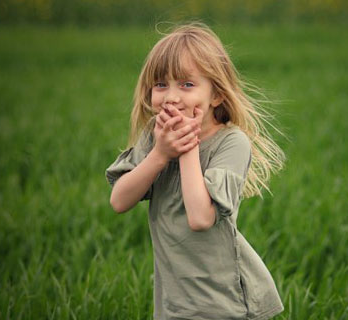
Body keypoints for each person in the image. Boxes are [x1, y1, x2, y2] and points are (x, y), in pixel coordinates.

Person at [105, 22, 285, 320]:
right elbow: (119, 201)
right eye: (161, 84)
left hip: (221, 298)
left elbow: (200, 218)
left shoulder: (231, 143)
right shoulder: (156, 137)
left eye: (187, 84)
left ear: (215, 95)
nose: (171, 96)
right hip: (174, 299)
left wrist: (187, 149)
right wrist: (160, 154)